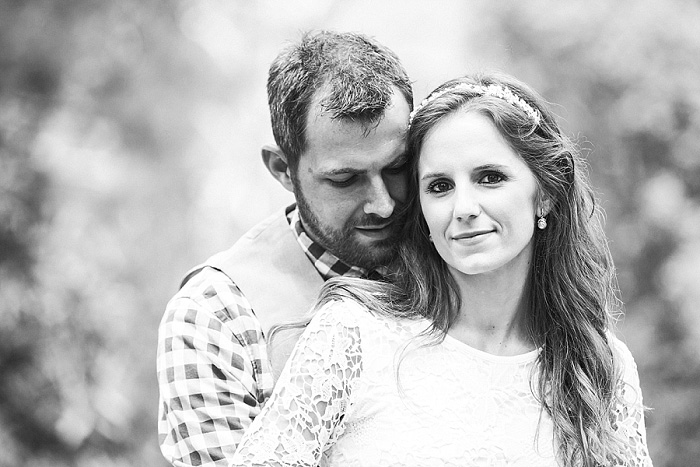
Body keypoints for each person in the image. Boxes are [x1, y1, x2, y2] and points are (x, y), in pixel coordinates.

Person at [230, 72, 653, 466]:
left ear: (544, 194)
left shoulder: (601, 367)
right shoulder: (353, 336)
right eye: (440, 187)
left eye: (490, 178)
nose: (464, 209)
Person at [156, 30, 413, 466]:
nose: (383, 203)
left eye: (397, 168)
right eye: (344, 180)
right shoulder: (215, 316)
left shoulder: (463, 255)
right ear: (283, 169)